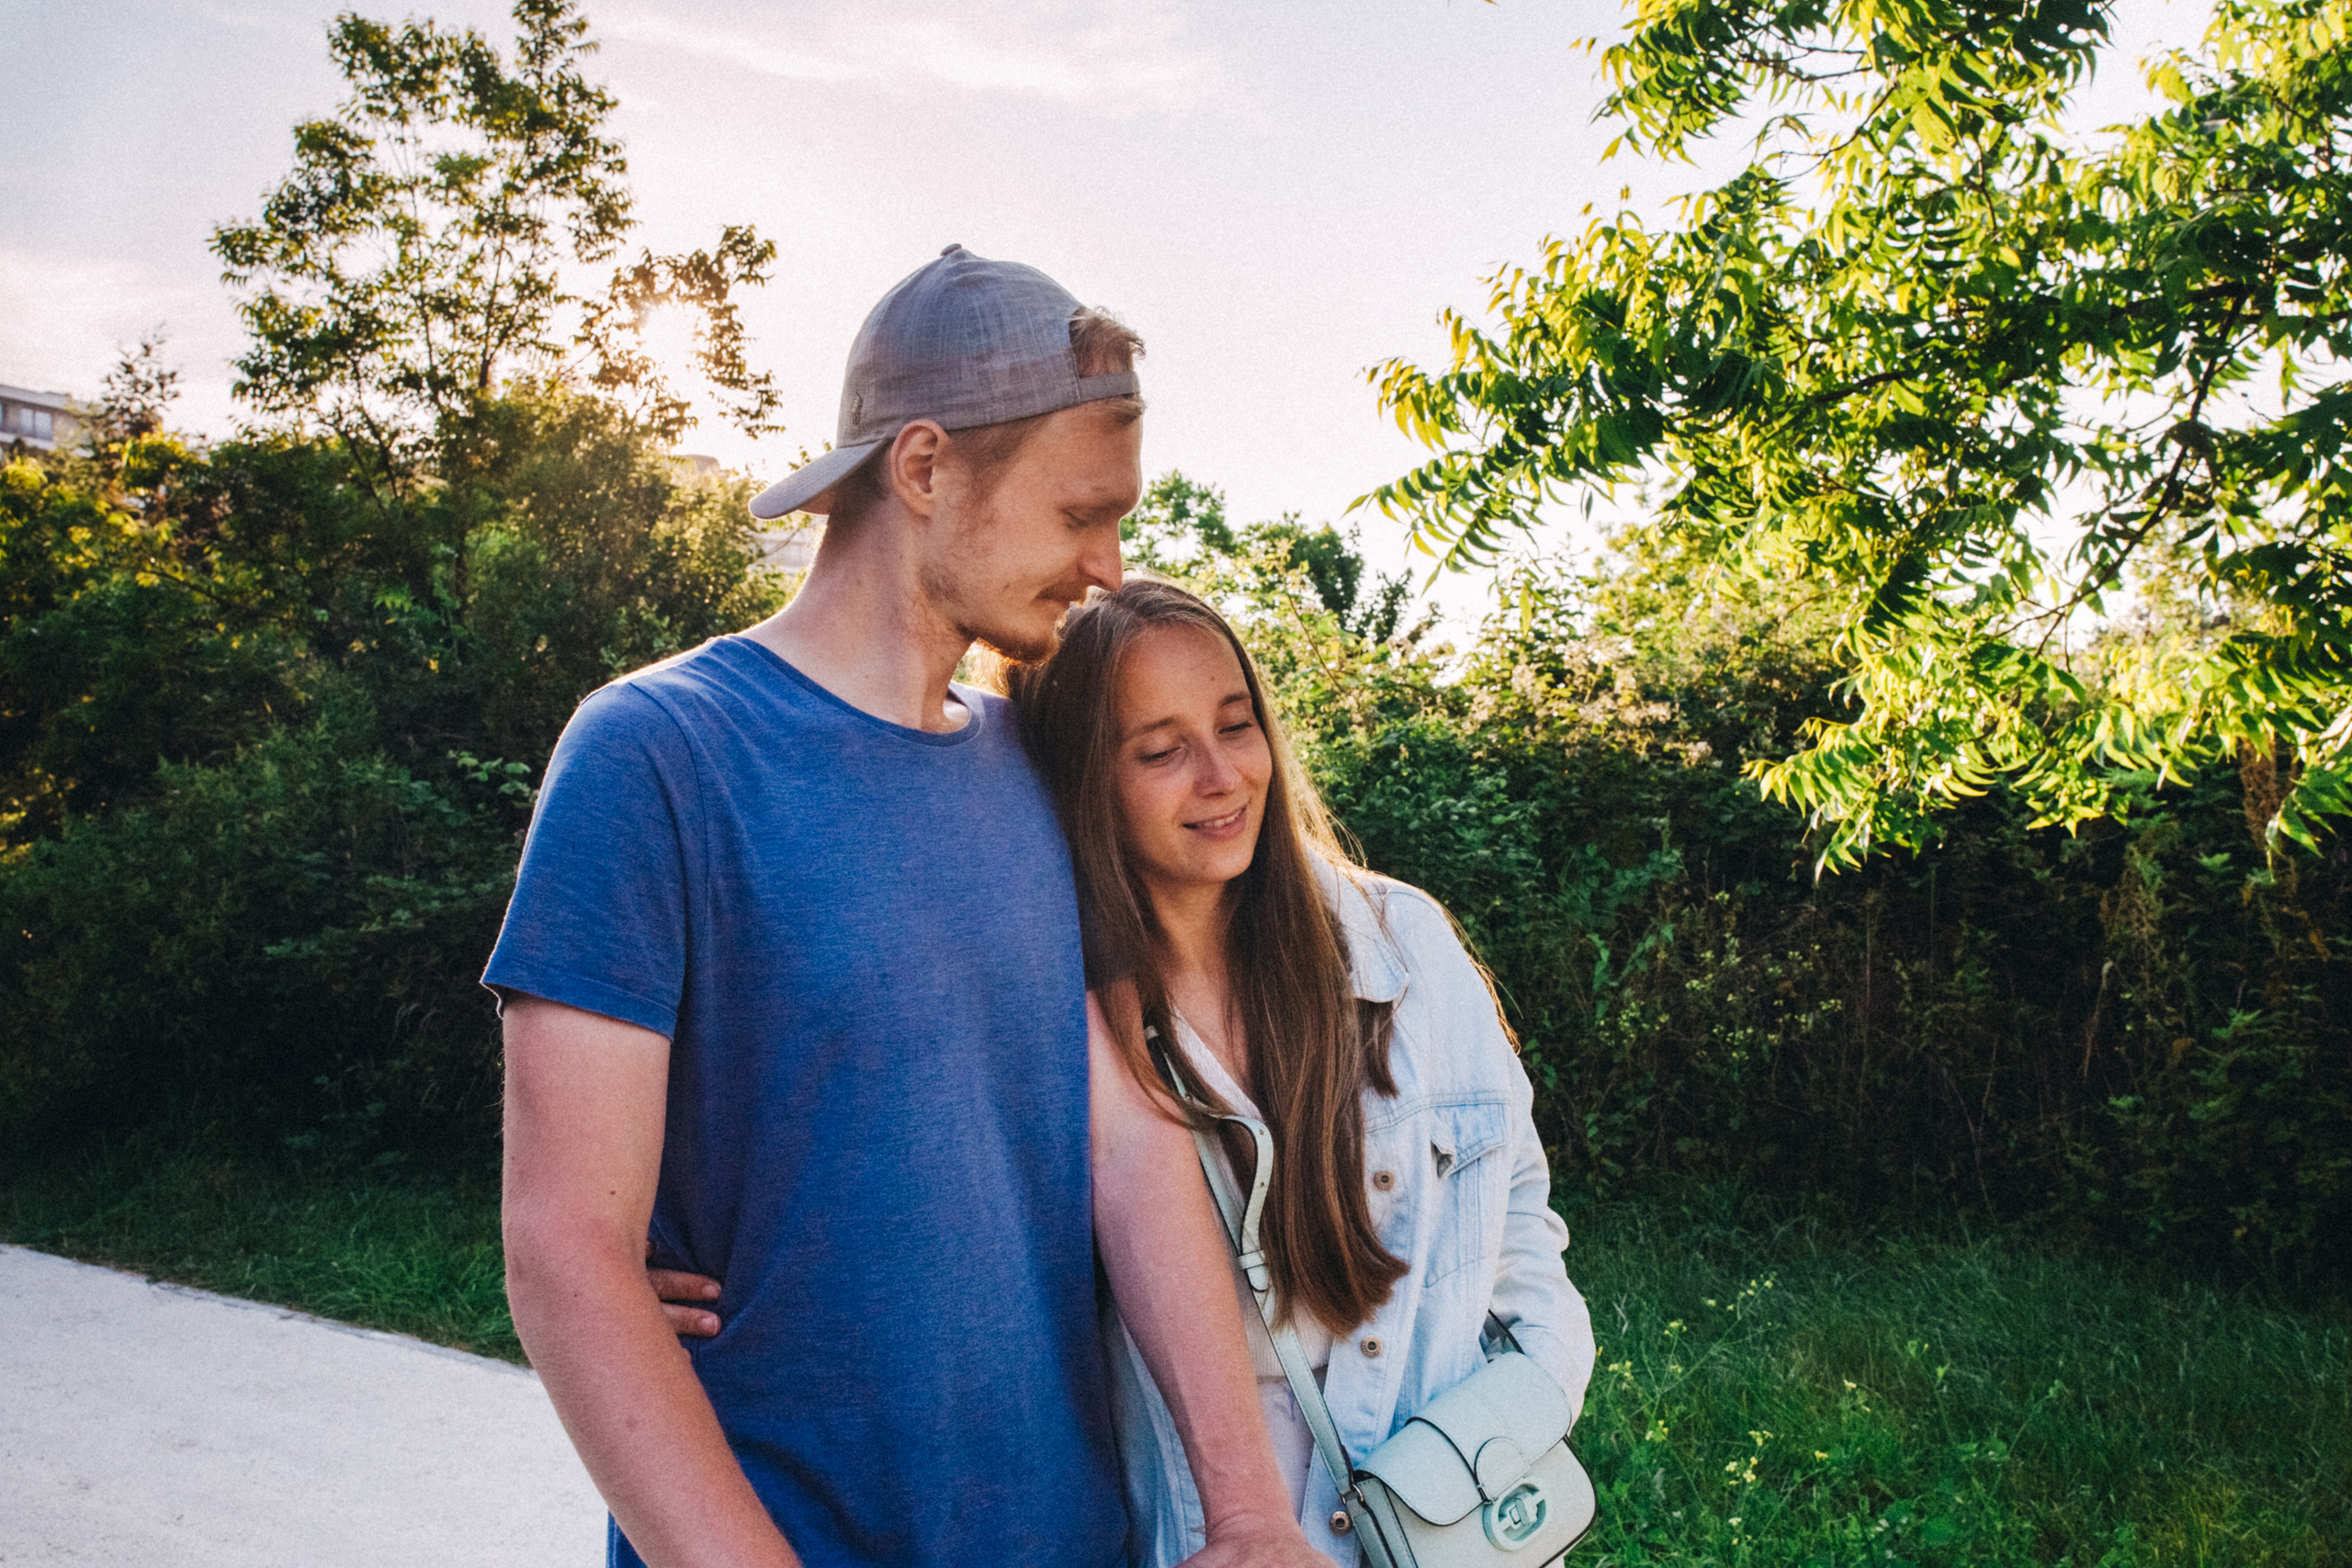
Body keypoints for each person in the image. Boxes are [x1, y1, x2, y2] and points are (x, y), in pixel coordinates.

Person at [490, 246, 1328, 1568]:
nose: (1109, 566)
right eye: (1080, 513)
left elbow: (1129, 1143)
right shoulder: (658, 752)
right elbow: (565, 1250)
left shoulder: (1038, 764)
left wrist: (1247, 1513)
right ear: (926, 467)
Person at [1008, 577, 1598, 1565]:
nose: (1221, 776)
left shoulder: (1401, 943)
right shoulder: (1059, 1026)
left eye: (1236, 726)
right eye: (1160, 750)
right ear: (1083, 780)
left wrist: (1522, 1409)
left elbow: (1517, 1214)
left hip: (1453, 1533)